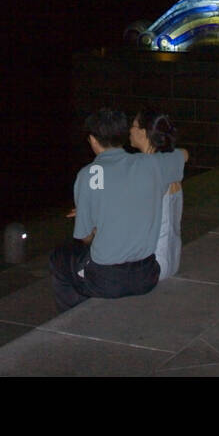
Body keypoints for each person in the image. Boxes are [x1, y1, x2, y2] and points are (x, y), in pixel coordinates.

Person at [51, 108, 187, 312]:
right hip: (147, 275)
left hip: (107, 279)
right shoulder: (151, 164)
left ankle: (72, 316)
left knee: (61, 258)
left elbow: (85, 237)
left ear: (93, 141)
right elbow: (183, 155)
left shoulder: (89, 175)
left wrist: (94, 220)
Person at [130, 109, 182, 279]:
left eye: (133, 126)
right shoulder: (168, 165)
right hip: (171, 258)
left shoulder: (148, 170)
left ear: (144, 132)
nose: (130, 130)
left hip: (152, 264)